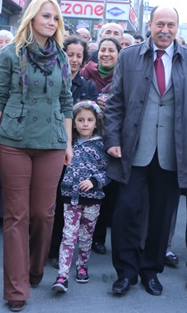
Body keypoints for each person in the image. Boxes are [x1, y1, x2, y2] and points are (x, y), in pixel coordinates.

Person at [104, 6, 187, 297]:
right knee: (126, 212)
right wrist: (112, 138)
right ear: (150, 25)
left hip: (171, 152)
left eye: (171, 25)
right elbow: (115, 103)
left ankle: (150, 271)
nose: (165, 30)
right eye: (160, 24)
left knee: (162, 217)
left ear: (178, 28)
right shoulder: (129, 56)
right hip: (134, 150)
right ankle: (125, 272)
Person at [0, 0, 73, 312]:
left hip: (51, 142)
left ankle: (34, 268)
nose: (52, 22)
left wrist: (68, 144)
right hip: (14, 141)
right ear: (32, 18)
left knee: (43, 214)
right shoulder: (11, 54)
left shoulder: (61, 58)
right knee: (16, 215)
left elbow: (66, 102)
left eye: (56, 18)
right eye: (46, 16)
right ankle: (16, 289)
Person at [48, 36, 98, 266]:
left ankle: (72, 252)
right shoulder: (52, 78)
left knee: (71, 200)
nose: (75, 60)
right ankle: (49, 248)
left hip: (77, 152)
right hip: (50, 144)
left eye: (79, 55)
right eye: (70, 54)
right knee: (51, 200)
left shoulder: (88, 86)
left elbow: (92, 121)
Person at [51, 100, 109, 293]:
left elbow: (108, 171)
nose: (85, 123)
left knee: (86, 236)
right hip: (70, 197)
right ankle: (63, 274)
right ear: (73, 122)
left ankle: (82, 265)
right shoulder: (69, 143)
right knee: (68, 235)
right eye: (81, 119)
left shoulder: (101, 145)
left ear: (96, 122)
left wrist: (94, 181)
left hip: (93, 199)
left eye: (90, 120)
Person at [80, 37, 121, 254]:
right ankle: (77, 232)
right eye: (103, 49)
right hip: (86, 140)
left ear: (118, 54)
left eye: (111, 50)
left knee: (105, 189)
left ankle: (99, 237)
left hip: (111, 139)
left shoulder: (123, 75)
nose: (106, 54)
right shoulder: (87, 73)